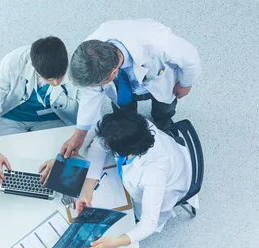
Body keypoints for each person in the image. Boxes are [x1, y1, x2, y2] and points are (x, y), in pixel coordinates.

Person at [58, 18, 201, 160]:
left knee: (164, 109)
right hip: (124, 86)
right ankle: (132, 127)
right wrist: (78, 136)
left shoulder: (159, 42)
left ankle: (165, 125)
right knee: (124, 113)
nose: (94, 89)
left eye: (98, 85)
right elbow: (89, 97)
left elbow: (191, 58)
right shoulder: (87, 55)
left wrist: (185, 83)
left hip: (161, 81)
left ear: (113, 73)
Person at [76, 112, 198, 248]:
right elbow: (99, 146)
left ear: (123, 151)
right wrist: (87, 190)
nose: (104, 144)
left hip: (171, 184)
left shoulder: (154, 173)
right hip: (171, 156)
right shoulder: (135, 126)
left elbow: (149, 222)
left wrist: (117, 241)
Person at [0, 37, 79, 183]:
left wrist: (61, 158)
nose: (56, 83)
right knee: (6, 167)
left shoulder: (76, 67)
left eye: (60, 77)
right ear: (34, 67)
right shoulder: (12, 63)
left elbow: (88, 112)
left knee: (54, 169)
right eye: (49, 79)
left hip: (52, 118)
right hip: (13, 116)